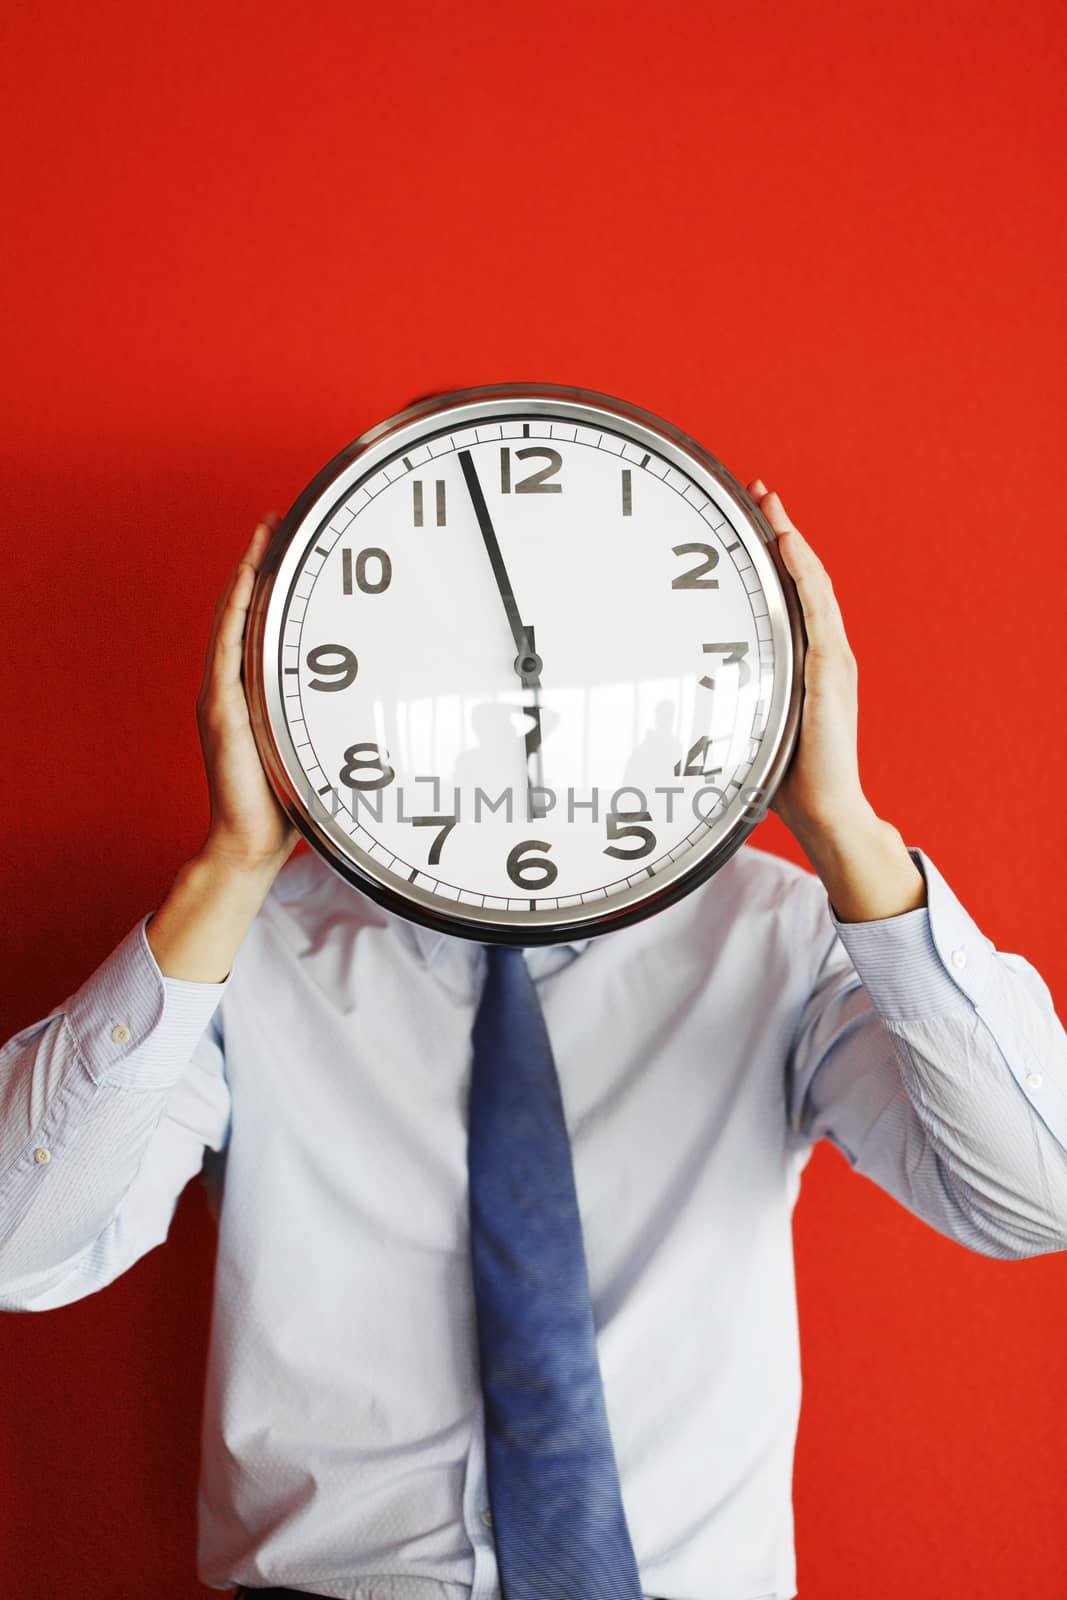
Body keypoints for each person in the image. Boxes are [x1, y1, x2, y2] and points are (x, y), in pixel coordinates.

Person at [1, 478, 1065, 1600]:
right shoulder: (240, 952)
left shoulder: (777, 932)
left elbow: (1033, 1196)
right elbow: (17, 1249)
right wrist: (227, 874)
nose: (526, 698)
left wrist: (842, 827)